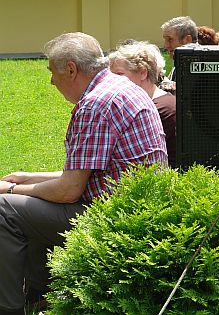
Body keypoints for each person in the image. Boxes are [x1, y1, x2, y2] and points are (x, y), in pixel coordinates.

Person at [0, 32, 167, 315]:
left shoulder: (95, 105)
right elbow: (90, 170)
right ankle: (41, 297)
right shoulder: (119, 87)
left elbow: (69, 191)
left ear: (71, 69)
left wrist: (11, 191)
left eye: (52, 72)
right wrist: (24, 176)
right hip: (139, 207)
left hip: (116, 218)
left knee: (4, 209)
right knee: (30, 203)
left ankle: (10, 308)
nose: (52, 81)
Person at [109, 41, 177, 166]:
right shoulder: (154, 102)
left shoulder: (159, 109)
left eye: (119, 74)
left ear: (142, 73)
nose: (111, 81)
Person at [161, 16, 198, 85]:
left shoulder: (199, 67)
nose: (165, 46)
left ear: (188, 40)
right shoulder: (181, 61)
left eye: (170, 39)